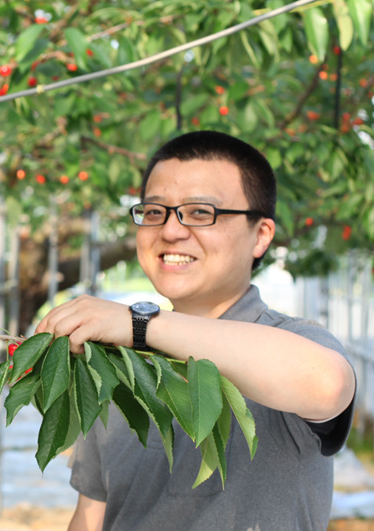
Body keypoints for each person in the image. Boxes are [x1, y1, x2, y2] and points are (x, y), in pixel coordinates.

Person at [36, 130, 356, 531]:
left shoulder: (293, 342)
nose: (170, 231)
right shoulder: (114, 364)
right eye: (154, 212)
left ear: (261, 236)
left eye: (201, 212)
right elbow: (90, 515)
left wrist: (141, 323)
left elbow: (326, 384)